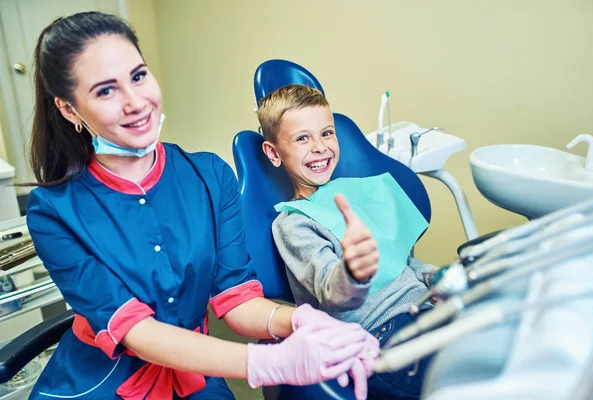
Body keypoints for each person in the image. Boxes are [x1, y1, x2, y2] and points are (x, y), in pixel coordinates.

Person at [24, 12, 378, 400]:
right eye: (106, 91)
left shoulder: (211, 176)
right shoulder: (53, 212)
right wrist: (267, 363)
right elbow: (135, 331)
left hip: (196, 374)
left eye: (138, 76)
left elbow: (237, 299)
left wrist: (304, 322)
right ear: (70, 110)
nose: (135, 102)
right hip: (99, 382)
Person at [259, 84, 437, 399]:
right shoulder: (294, 223)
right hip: (383, 334)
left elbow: (401, 261)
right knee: (465, 376)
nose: (319, 147)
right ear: (274, 153)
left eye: (326, 133)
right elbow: (331, 290)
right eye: (303, 138)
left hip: (426, 305)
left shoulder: (354, 193)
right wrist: (353, 271)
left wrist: (433, 276)